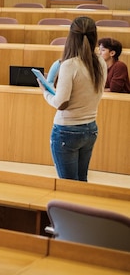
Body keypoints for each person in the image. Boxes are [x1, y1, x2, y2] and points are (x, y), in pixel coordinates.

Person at [37, 16, 106, 181]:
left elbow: (61, 103)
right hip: (90, 128)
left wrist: (45, 91)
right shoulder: (101, 62)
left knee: (67, 186)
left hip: (67, 130)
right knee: (81, 181)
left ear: (71, 37)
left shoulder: (69, 65)